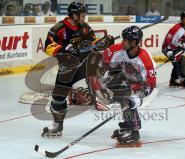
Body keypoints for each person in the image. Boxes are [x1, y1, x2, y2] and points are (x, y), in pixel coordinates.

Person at [41, 2, 114, 137]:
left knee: (98, 69)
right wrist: (64, 48)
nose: (84, 18)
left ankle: (103, 93)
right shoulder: (59, 28)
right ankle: (57, 126)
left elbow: (92, 44)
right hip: (67, 67)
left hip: (84, 64)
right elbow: (48, 46)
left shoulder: (85, 28)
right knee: (58, 98)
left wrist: (102, 43)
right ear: (74, 15)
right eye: (82, 15)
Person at [97, 26, 156, 147]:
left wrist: (138, 96)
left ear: (134, 42)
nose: (122, 42)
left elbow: (151, 84)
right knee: (117, 91)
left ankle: (133, 132)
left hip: (141, 85)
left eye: (125, 40)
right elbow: (103, 64)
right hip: (126, 78)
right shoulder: (119, 49)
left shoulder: (145, 59)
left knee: (128, 99)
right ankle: (129, 123)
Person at [162, 11, 185, 89]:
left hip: (175, 48)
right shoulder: (176, 28)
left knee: (180, 61)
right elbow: (168, 39)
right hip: (167, 48)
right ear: (181, 19)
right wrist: (169, 52)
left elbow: (184, 39)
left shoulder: (184, 28)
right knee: (180, 61)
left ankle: (173, 79)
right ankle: (183, 80)